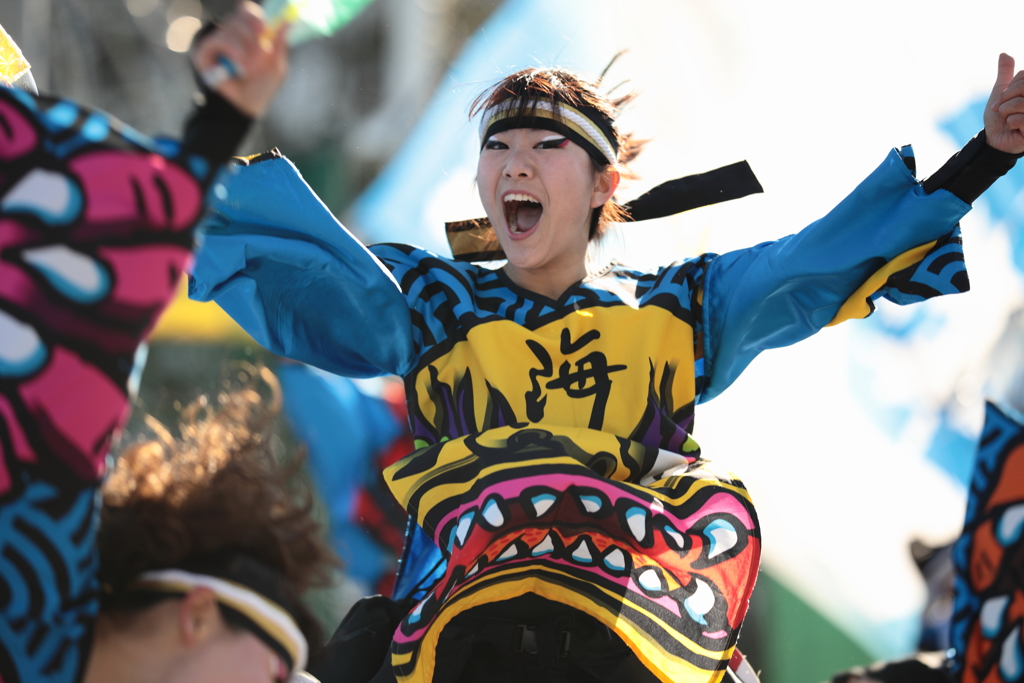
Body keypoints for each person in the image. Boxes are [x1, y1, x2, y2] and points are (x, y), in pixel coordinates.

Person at [188, 54, 1024, 683]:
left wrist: (983, 155)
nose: (515, 162)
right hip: (448, 621)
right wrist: (87, 174)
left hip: (641, 624)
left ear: (603, 184)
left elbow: (816, 264)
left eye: (547, 145)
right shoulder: (431, 303)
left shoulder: (675, 309)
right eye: (498, 147)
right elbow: (294, 262)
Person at [0, 4, 336, 683]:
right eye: (278, 676)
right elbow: (84, 346)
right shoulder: (37, 578)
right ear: (200, 613)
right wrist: (216, 128)